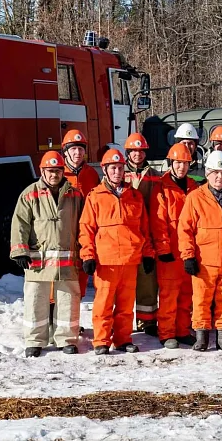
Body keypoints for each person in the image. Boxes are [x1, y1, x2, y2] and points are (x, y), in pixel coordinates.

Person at [79, 149, 155, 355]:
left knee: (125, 304)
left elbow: (144, 228)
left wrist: (148, 254)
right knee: (103, 303)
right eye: (113, 168)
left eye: (120, 168)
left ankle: (123, 339)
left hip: (130, 259)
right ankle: (101, 340)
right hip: (106, 260)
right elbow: (86, 229)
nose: (117, 172)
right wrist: (88, 255)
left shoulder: (135, 196)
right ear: (104, 170)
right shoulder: (95, 196)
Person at [11, 151, 84, 357]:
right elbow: (20, 224)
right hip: (37, 261)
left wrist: (85, 252)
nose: (54, 175)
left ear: (63, 171)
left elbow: (84, 225)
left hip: (67, 259)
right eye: (50, 171)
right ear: (43, 171)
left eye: (58, 170)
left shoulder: (75, 195)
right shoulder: (29, 194)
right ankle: (35, 340)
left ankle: (67, 339)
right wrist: (20, 251)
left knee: (68, 300)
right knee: (35, 300)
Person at [178, 151, 222, 351]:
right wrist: (188, 256)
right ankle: (202, 335)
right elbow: (185, 230)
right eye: (215, 172)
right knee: (201, 299)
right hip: (203, 262)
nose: (219, 177)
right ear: (207, 173)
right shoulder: (195, 198)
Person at [150, 143, 199, 349]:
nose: (181, 167)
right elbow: (158, 220)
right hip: (170, 251)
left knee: (187, 294)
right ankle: (167, 333)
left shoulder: (195, 188)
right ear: (171, 163)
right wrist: (162, 249)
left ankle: (182, 330)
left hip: (190, 251)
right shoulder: (161, 187)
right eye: (178, 163)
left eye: (185, 163)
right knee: (169, 294)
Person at [123, 133, 162, 336]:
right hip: (126, 233)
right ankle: (122, 320)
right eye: (133, 151)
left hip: (148, 232)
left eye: (140, 151)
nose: (137, 155)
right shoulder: (118, 172)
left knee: (148, 280)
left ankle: (147, 321)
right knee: (125, 283)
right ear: (128, 153)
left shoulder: (155, 174)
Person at [61, 129, 100, 301]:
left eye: (81, 149)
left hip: (86, 233)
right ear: (66, 151)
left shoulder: (91, 174)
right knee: (63, 280)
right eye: (73, 149)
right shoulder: (58, 173)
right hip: (64, 233)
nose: (77, 153)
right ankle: (58, 318)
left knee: (82, 277)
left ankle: (75, 322)